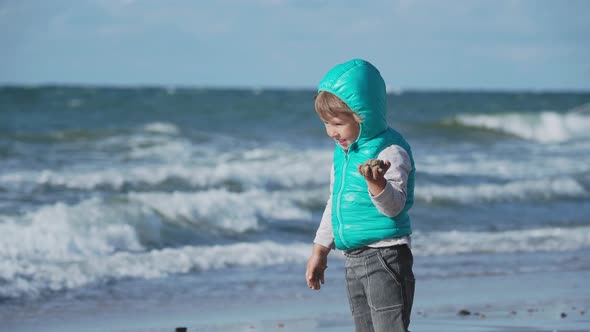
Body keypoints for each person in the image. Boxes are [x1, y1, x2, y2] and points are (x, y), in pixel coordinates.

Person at [305, 59, 416, 332]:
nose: (331, 132)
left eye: (338, 123)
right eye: (326, 124)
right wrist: (320, 250)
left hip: (386, 255)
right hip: (353, 257)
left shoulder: (390, 151)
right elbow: (336, 202)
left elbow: (395, 207)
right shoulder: (344, 154)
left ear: (362, 114)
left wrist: (376, 184)